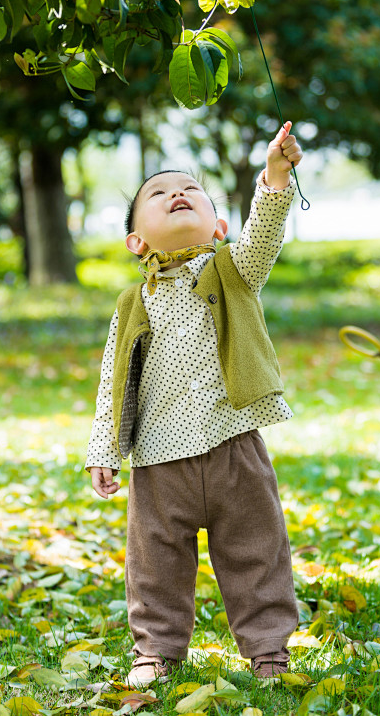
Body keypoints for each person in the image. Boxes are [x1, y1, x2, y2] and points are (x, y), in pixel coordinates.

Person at [85, 121, 303, 688]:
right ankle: (155, 650)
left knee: (257, 551)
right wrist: (103, 448)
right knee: (154, 563)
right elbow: (113, 377)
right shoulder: (133, 302)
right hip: (158, 460)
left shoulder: (234, 271)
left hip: (233, 443)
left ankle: (269, 650)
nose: (176, 193)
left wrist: (275, 178)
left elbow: (263, 237)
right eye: (157, 194)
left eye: (190, 189)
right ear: (137, 241)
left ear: (219, 224)